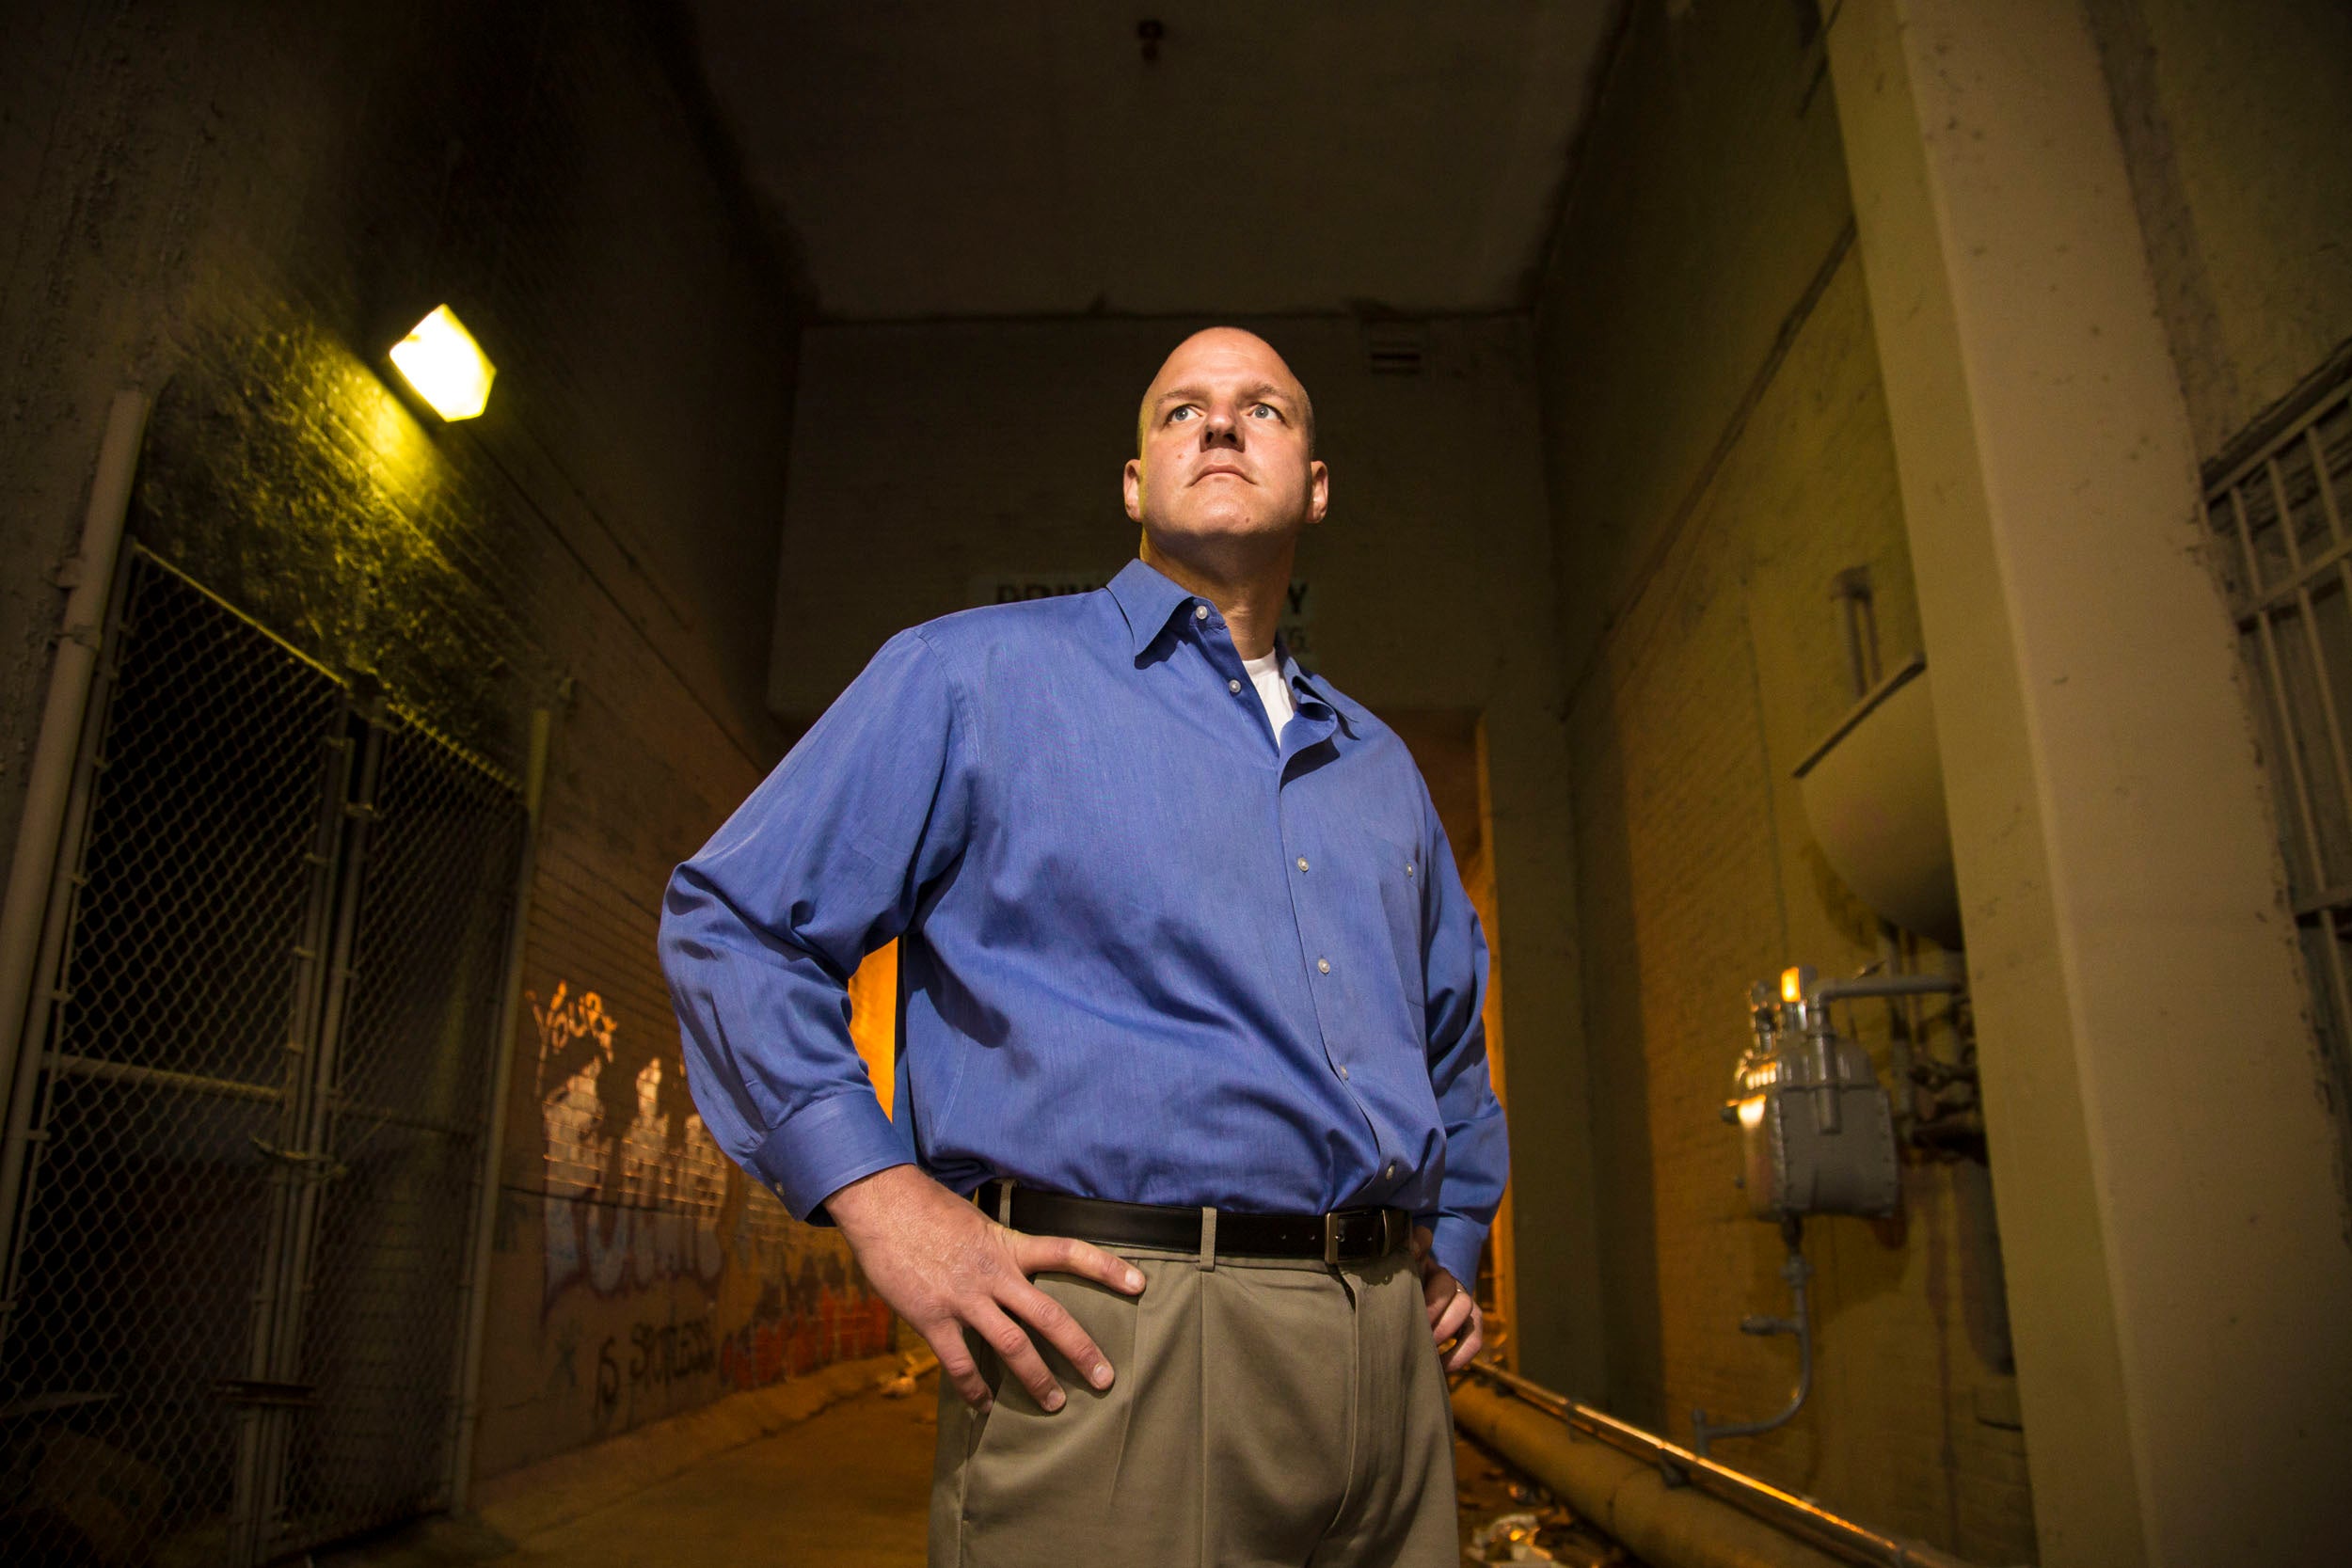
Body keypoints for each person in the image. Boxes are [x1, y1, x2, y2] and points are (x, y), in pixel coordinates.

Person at [660, 326, 1508, 1566]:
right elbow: (735, 922)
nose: (1221, 426)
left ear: (1317, 486)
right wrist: (886, 1203)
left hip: (1387, 1358)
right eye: (1183, 411)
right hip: (1117, 1339)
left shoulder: (1379, 768)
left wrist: (1460, 1244)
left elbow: (1446, 1042)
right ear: (1133, 482)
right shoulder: (970, 678)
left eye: (1263, 409)